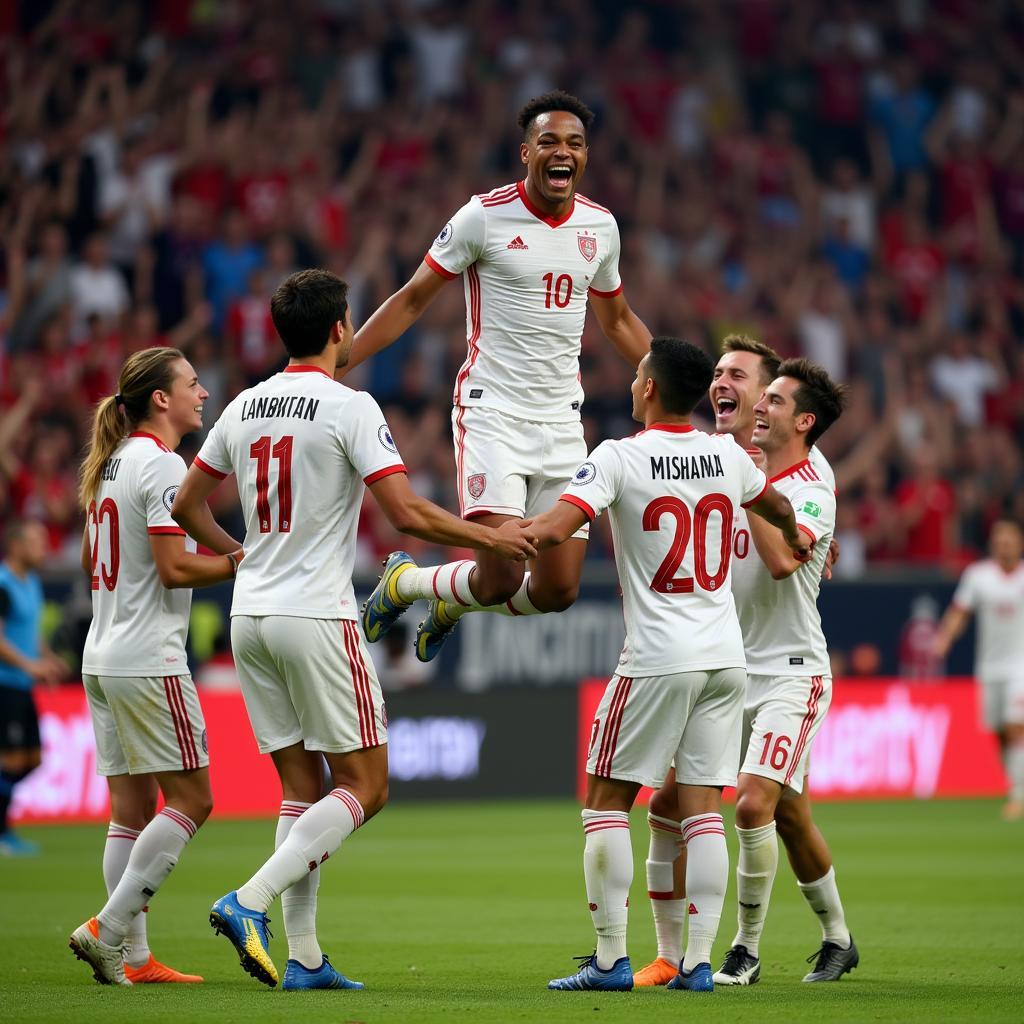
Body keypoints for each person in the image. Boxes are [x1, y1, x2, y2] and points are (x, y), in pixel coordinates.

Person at [170, 269, 534, 991]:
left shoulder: (244, 405)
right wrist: (489, 540)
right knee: (367, 787)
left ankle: (303, 959)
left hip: (252, 616)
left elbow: (186, 503)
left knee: (301, 790)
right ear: (341, 328)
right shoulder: (349, 405)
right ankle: (249, 902)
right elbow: (406, 515)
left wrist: (238, 554)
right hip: (314, 614)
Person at [520, 337, 809, 992]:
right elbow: (782, 508)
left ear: (649, 389)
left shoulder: (618, 457)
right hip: (724, 658)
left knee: (604, 801)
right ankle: (698, 963)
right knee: (703, 808)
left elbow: (557, 528)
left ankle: (608, 959)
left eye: (635, 376)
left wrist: (491, 537)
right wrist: (794, 537)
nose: (630, 385)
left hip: (656, 656)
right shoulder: (728, 456)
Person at [354, 90, 650, 661]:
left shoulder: (601, 227)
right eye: (549, 142)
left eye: (575, 143)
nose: (562, 152)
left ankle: (442, 597)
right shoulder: (482, 217)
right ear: (525, 152)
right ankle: (405, 583)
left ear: (586, 156)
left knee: (559, 589)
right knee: (497, 581)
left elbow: (615, 319)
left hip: (563, 420)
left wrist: (673, 372)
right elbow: (414, 299)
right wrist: (345, 357)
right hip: (494, 415)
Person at [633, 339, 858, 988]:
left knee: (755, 807)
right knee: (770, 812)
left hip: (791, 671)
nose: (755, 404)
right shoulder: (723, 461)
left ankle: (745, 951)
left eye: (769, 396)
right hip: (728, 670)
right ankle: (837, 938)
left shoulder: (811, 485)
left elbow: (786, 559)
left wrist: (743, 478)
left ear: (802, 421)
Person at [70, 347, 245, 986]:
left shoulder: (110, 464)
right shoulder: (163, 466)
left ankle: (134, 959)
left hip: (103, 653)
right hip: (149, 656)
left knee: (131, 809)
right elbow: (174, 568)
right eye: (193, 384)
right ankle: (106, 930)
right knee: (194, 799)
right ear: (160, 400)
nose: (203, 393)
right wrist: (240, 564)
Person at [933, 519, 1024, 821]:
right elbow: (960, 612)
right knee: (999, 731)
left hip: (1019, 666)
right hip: (989, 666)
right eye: (999, 540)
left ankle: (1018, 794)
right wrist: (945, 638)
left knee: (1015, 725)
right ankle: (1015, 781)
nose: (1004, 545)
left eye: (1009, 540)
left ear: (1019, 543)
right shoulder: (978, 576)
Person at [0, 520, 65, 856]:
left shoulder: (32, 583)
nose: (43, 547)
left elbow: (29, 630)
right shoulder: (4, 584)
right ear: (15, 546)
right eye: (35, 540)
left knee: (32, 759)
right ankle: (3, 833)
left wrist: (47, 658)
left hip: (22, 685)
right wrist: (29, 665)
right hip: (4, 684)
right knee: (10, 761)